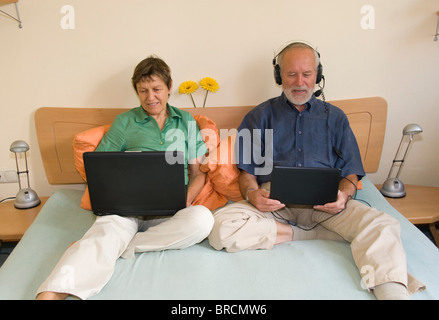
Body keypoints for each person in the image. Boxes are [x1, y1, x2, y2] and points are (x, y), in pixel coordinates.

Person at [208, 42, 425, 300]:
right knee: (220, 226)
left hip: (327, 207)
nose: (300, 82)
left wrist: (343, 196)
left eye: (307, 74)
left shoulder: (336, 118)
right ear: (279, 76)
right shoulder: (259, 116)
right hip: (274, 206)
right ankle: (310, 235)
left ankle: (393, 294)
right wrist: (253, 195)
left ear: (317, 74)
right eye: (291, 74)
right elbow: (247, 174)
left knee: (383, 224)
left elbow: (351, 175)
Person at [37, 56, 214, 300]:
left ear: (170, 87)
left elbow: (197, 174)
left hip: (171, 210)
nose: (150, 97)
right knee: (108, 228)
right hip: (127, 208)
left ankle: (121, 246)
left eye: (156, 89)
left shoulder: (187, 122)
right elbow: (100, 166)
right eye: (143, 91)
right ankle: (53, 292)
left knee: (203, 221)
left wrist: (183, 200)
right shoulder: (124, 121)